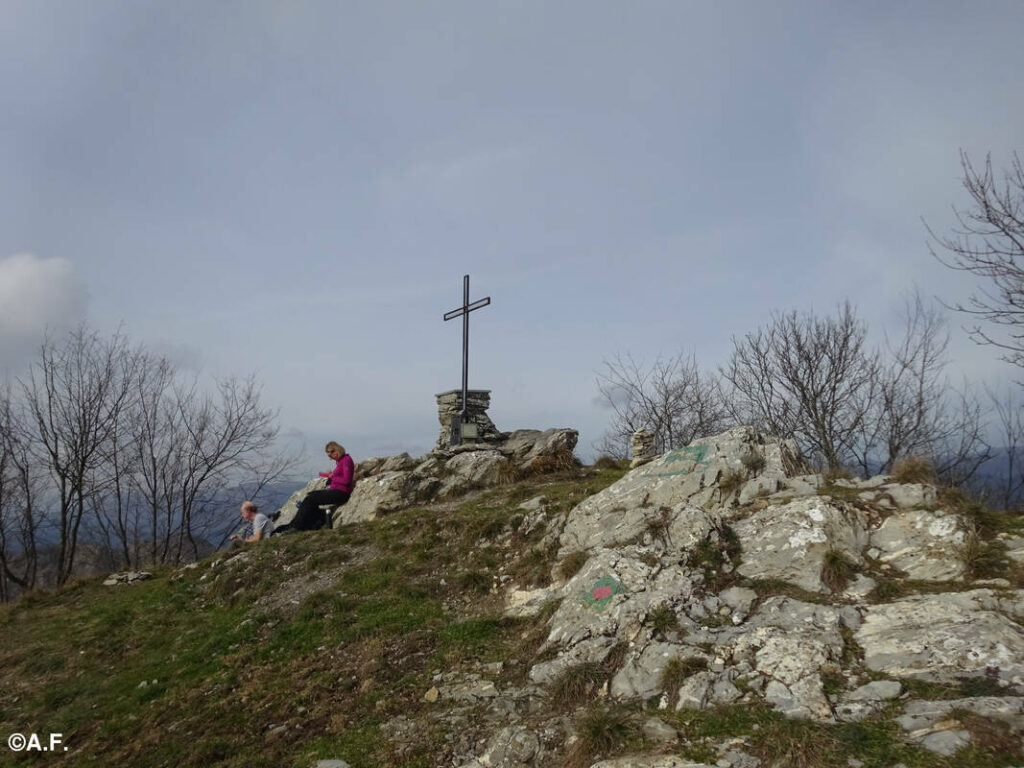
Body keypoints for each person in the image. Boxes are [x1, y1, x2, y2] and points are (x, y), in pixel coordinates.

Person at [275, 441, 355, 533]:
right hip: (337, 490)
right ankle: (303, 524)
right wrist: (329, 476)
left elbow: (347, 480)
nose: (330, 458)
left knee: (311, 498)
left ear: (336, 451)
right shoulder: (341, 461)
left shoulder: (346, 460)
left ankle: (297, 526)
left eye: (331, 455)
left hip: (341, 492)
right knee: (310, 496)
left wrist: (332, 477)